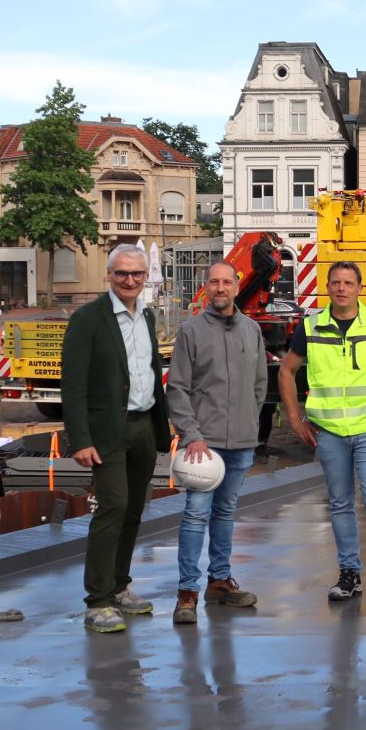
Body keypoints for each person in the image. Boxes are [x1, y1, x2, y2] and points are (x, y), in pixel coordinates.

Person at [279, 260, 366, 614]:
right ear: (328, 287)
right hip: (329, 434)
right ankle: (349, 576)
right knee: (340, 504)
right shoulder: (311, 327)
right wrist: (294, 417)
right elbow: (286, 370)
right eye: (336, 282)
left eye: (348, 283)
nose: (341, 288)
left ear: (359, 288)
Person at [64, 244, 171, 634]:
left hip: (143, 425)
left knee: (133, 510)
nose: (129, 281)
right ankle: (97, 601)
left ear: (146, 278)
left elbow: (148, 370)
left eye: (137, 274)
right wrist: (79, 439)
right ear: (108, 275)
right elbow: (73, 385)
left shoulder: (146, 316)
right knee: (113, 506)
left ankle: (120, 586)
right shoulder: (88, 319)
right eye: (122, 274)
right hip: (108, 430)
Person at [165, 259, 268, 625]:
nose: (220, 288)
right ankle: (187, 591)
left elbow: (259, 386)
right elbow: (177, 389)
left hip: (241, 442)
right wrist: (191, 435)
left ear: (237, 287)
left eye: (227, 282)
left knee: (225, 514)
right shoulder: (191, 331)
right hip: (202, 446)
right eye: (214, 282)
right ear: (206, 288)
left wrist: (249, 426)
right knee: (195, 515)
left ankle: (220, 581)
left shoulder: (252, 330)